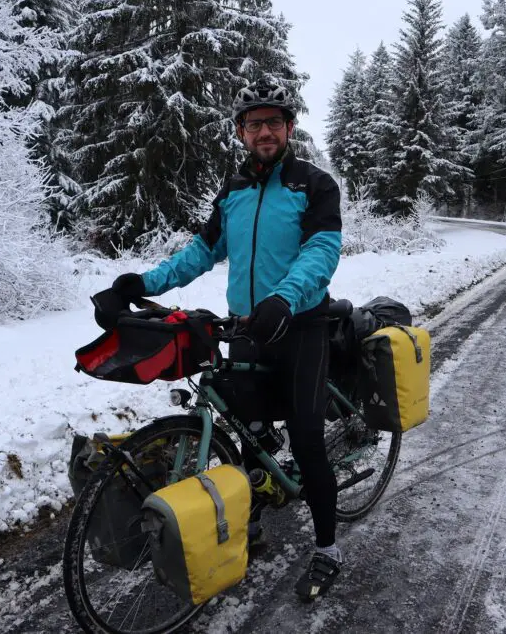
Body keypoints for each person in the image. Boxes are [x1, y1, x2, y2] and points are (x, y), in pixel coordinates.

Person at [92, 80, 344, 601]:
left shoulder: (313, 184)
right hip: (249, 327)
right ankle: (250, 519)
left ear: (289, 128)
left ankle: (327, 549)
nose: (265, 131)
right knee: (247, 426)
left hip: (299, 326)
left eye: (274, 122)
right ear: (241, 133)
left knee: (306, 437)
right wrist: (140, 284)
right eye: (255, 124)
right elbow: (200, 253)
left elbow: (322, 250)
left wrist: (286, 298)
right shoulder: (233, 192)